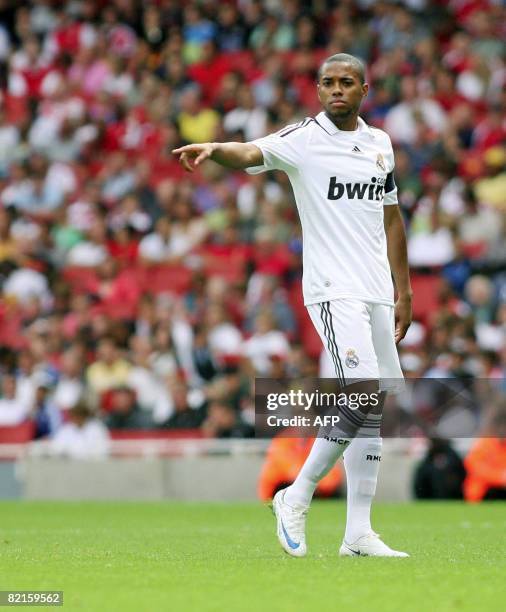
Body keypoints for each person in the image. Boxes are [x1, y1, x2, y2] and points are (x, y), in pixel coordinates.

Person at [173, 53, 412, 558]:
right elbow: (249, 153)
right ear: (318, 89)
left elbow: (392, 220)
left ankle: (358, 534)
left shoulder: (379, 144)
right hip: (332, 288)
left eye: (347, 83)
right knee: (362, 391)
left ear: (365, 89)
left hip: (377, 291)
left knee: (373, 409)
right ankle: (296, 495)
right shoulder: (303, 139)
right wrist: (215, 147)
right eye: (328, 83)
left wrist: (404, 290)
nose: (336, 91)